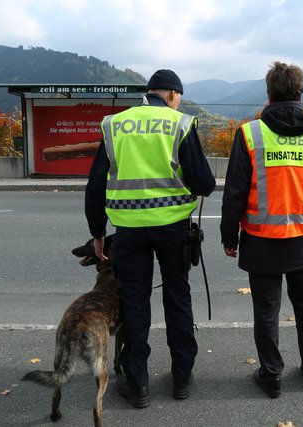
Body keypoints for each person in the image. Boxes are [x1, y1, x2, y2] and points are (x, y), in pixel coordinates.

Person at [85, 69, 215, 408]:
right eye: (179, 99)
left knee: (134, 303)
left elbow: (96, 185)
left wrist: (98, 233)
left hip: (128, 232)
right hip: (173, 230)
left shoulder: (114, 125)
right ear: (172, 94)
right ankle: (182, 378)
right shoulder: (180, 124)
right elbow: (203, 183)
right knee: (177, 298)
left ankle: (137, 384)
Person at [220, 61, 303, 398]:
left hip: (262, 242)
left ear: (269, 93)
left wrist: (229, 237)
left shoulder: (250, 133)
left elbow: (235, 193)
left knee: (267, 312)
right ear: (301, 92)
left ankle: (271, 376)